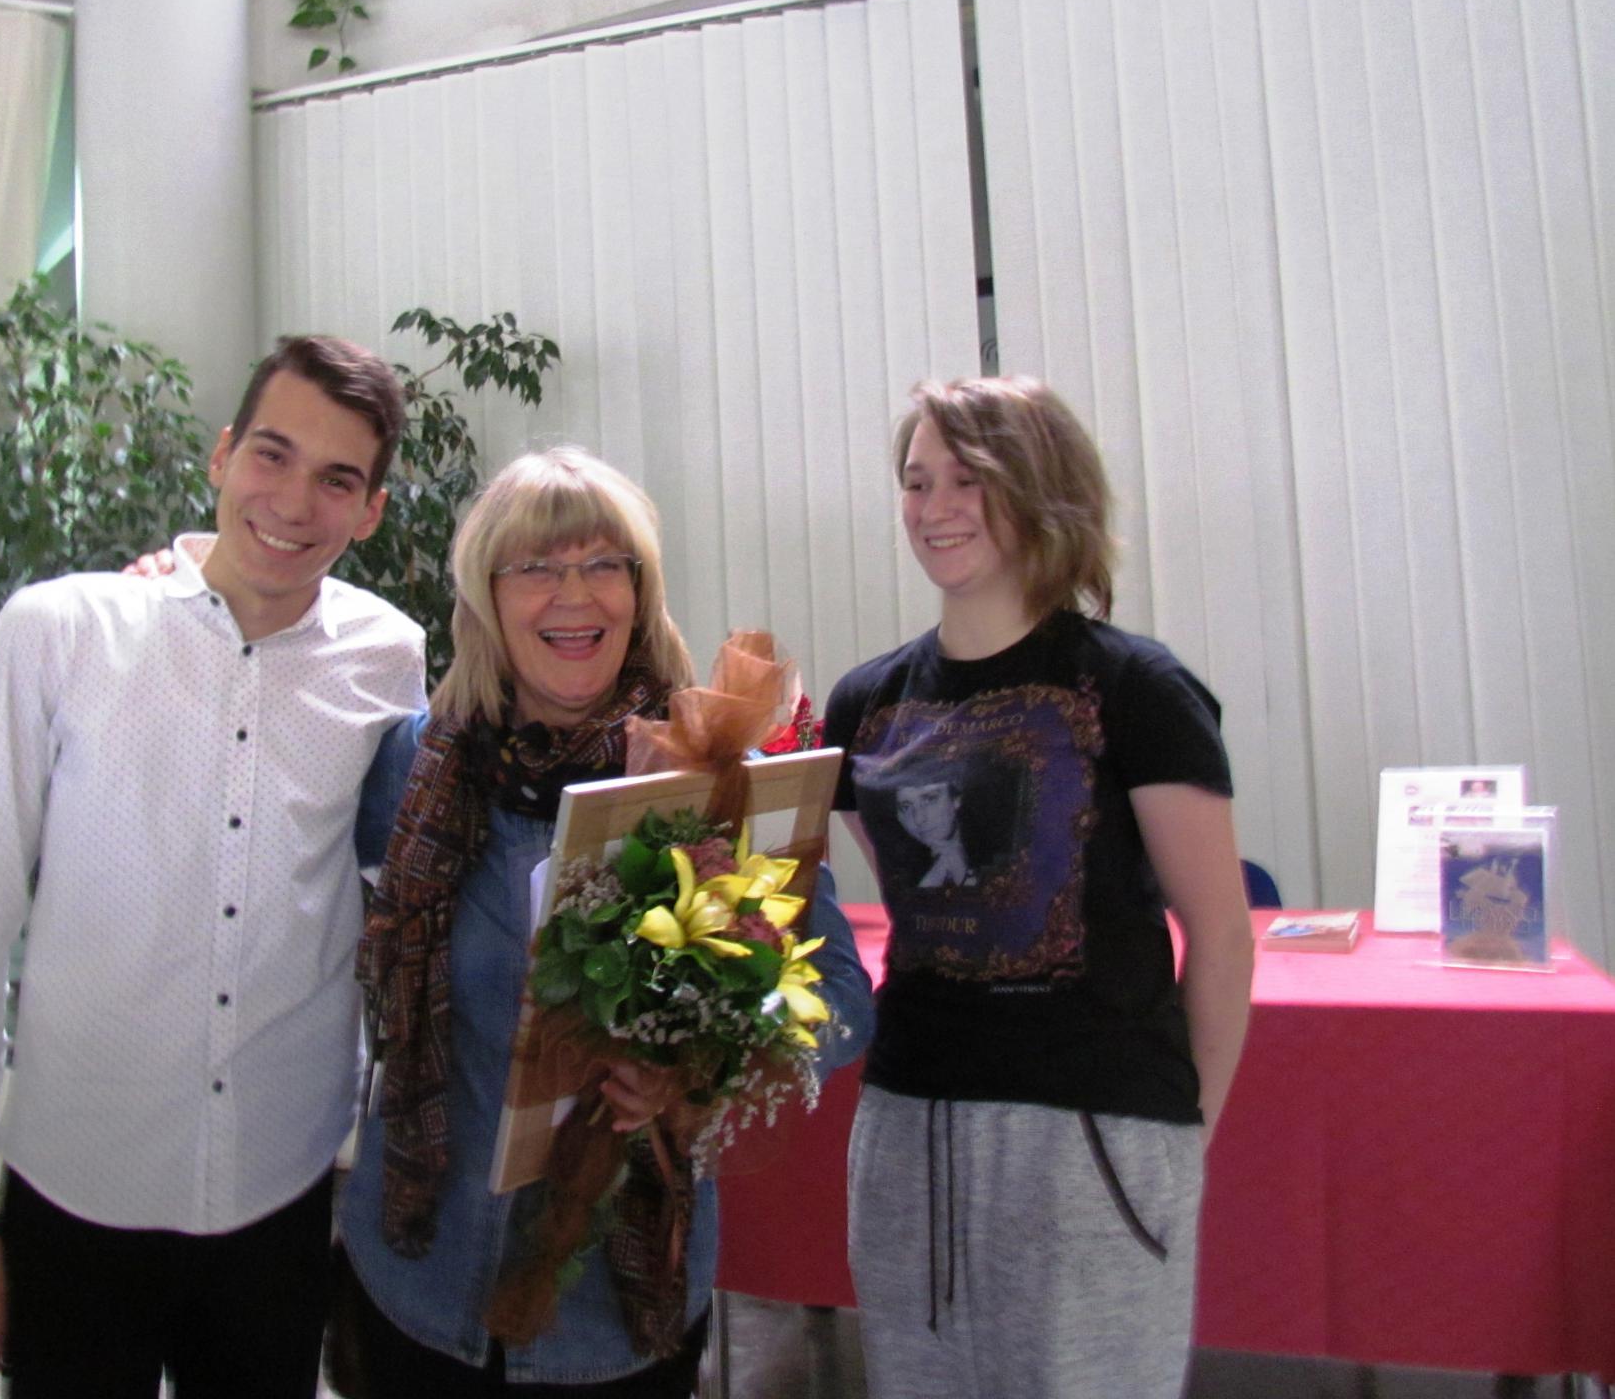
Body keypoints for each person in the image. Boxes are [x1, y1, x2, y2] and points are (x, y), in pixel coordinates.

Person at [0, 335, 428, 1398]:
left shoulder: (390, 655)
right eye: (271, 455)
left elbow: (382, 891)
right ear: (223, 455)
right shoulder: (61, 631)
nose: (293, 502)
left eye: (337, 479)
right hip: (76, 1183)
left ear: (370, 510)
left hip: (280, 1187)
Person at [339, 445, 875, 1396]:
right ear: (486, 597)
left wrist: (702, 1068)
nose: (574, 594)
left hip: (615, 1316)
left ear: (640, 590)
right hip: (419, 1275)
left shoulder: (718, 774)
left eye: (602, 564)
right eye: (536, 567)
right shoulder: (411, 770)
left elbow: (840, 996)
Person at [823, 377, 1255, 1399]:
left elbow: (1222, 937)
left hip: (1091, 1136)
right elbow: (923, 914)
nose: (934, 507)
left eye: (967, 478)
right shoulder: (864, 704)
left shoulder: (1136, 688)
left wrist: (1179, 1134)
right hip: (909, 1126)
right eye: (916, 481)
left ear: (1038, 487)